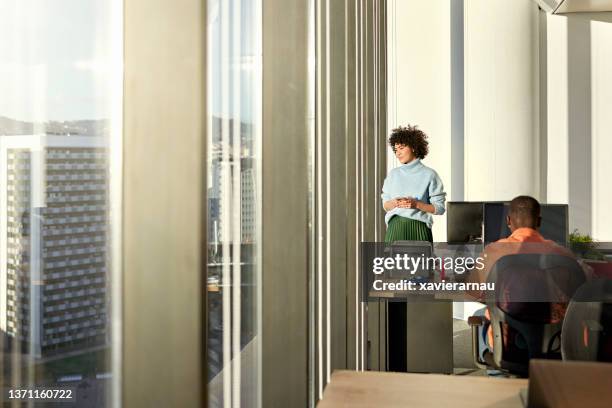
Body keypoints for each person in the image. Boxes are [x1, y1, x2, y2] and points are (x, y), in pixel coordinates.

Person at [468, 195, 592, 358]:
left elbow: (473, 292)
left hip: (508, 340)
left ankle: (499, 373)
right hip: (555, 341)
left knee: (481, 313)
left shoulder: (493, 252)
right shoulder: (563, 255)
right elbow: (585, 286)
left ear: (508, 220)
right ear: (539, 221)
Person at [381, 125, 446, 243]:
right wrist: (395, 203)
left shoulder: (429, 174)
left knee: (421, 261)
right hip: (395, 229)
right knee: (394, 262)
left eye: (401, 148)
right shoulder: (393, 174)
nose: (398, 153)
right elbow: (385, 205)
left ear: (414, 148)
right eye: (396, 150)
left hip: (419, 229)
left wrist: (416, 204)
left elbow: (440, 208)